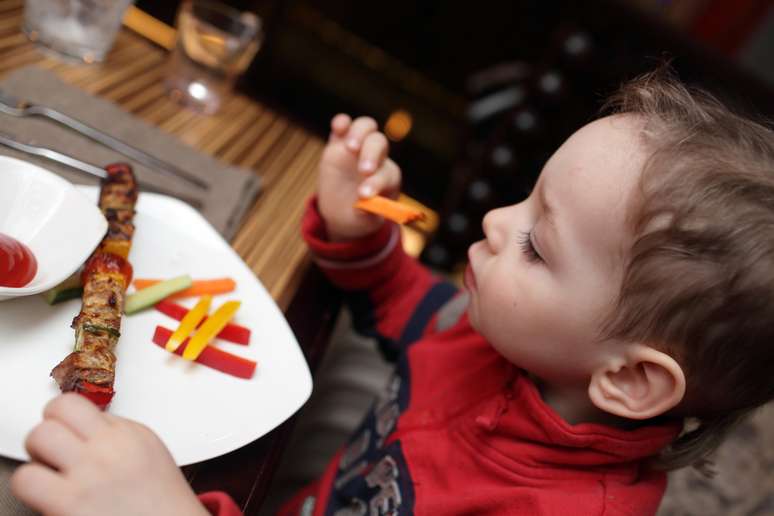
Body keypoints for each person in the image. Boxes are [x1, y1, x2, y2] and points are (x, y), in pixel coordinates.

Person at [11, 67, 774, 515]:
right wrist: (358, 234)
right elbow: (402, 301)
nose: (494, 220)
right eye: (527, 198)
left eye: (538, 244)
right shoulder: (511, 339)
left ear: (631, 378)